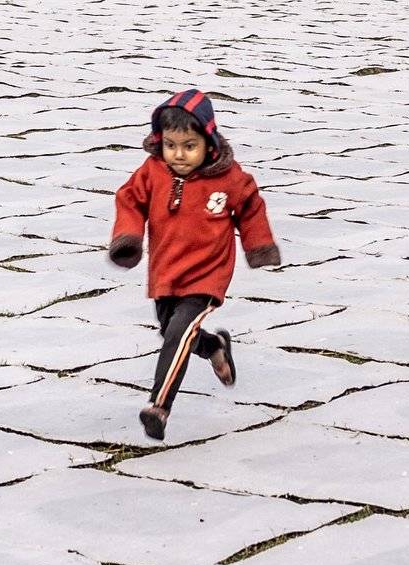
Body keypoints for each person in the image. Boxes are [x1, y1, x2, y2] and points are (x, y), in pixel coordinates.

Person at [108, 88, 282, 440]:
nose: (179, 154)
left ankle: (159, 406)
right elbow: (129, 200)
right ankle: (214, 347)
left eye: (189, 146)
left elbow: (250, 206)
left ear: (208, 142)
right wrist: (128, 238)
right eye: (171, 145)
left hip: (207, 274)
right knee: (172, 331)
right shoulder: (152, 172)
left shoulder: (227, 178)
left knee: (178, 333)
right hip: (166, 271)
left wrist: (259, 246)